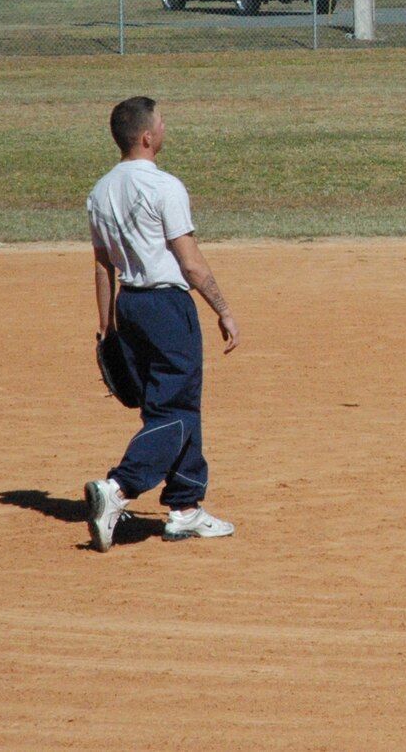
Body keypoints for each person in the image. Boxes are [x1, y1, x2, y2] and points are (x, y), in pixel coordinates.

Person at [83, 96, 240, 552]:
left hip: (129, 307)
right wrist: (223, 309)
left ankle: (186, 507)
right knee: (174, 407)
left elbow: (101, 268)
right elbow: (189, 263)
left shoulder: (100, 192)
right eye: (162, 122)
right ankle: (117, 489)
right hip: (167, 306)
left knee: (174, 405)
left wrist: (106, 327)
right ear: (147, 136)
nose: (166, 127)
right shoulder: (165, 187)